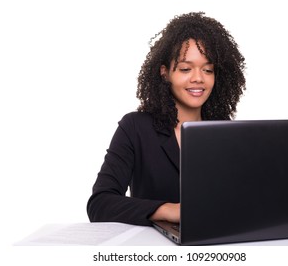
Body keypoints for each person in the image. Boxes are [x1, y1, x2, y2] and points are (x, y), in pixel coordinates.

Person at [87, 12, 246, 226]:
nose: (198, 78)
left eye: (208, 69)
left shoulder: (225, 131)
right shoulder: (135, 128)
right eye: (185, 69)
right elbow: (100, 204)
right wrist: (167, 210)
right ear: (165, 73)